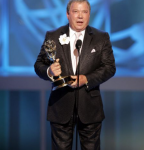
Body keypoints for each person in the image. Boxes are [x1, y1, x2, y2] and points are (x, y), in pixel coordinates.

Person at [34, 0, 116, 149]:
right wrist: (49, 71)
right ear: (67, 14)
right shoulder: (53, 36)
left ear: (89, 14)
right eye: (76, 12)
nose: (80, 16)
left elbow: (110, 67)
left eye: (84, 12)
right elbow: (39, 64)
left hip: (90, 107)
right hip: (60, 105)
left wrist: (86, 79)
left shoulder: (101, 37)